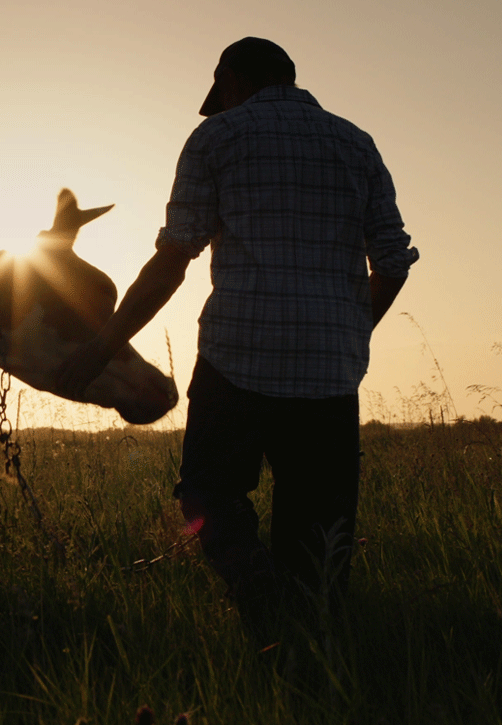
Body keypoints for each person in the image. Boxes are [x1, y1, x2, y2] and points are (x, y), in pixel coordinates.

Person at [58, 37, 418, 606]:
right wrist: (351, 331)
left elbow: (175, 258)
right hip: (330, 375)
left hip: (237, 361)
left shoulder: (217, 137)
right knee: (320, 530)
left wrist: (104, 341)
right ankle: (308, 642)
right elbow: (393, 262)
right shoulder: (357, 144)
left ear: (231, 80)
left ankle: (258, 592)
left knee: (206, 493)